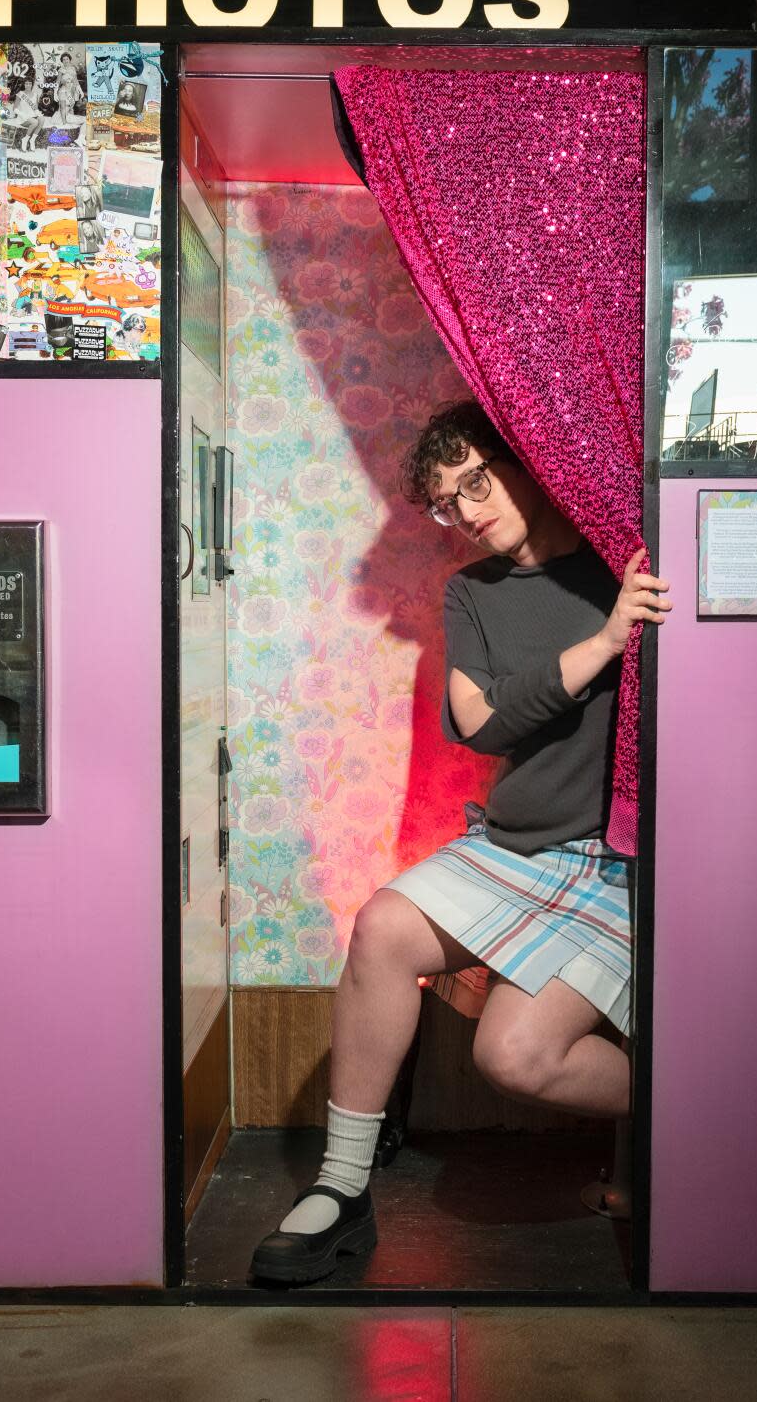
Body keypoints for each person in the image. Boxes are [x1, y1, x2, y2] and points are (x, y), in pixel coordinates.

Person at [248, 400, 671, 1285]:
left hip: (618, 863)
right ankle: (340, 1189)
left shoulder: (623, 561)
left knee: (515, 1057)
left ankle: (710, 1111)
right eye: (448, 500)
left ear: (526, 460)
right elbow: (480, 726)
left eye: (476, 479)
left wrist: (613, 621)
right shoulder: (471, 591)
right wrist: (601, 645)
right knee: (380, 927)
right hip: (516, 844)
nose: (468, 509)